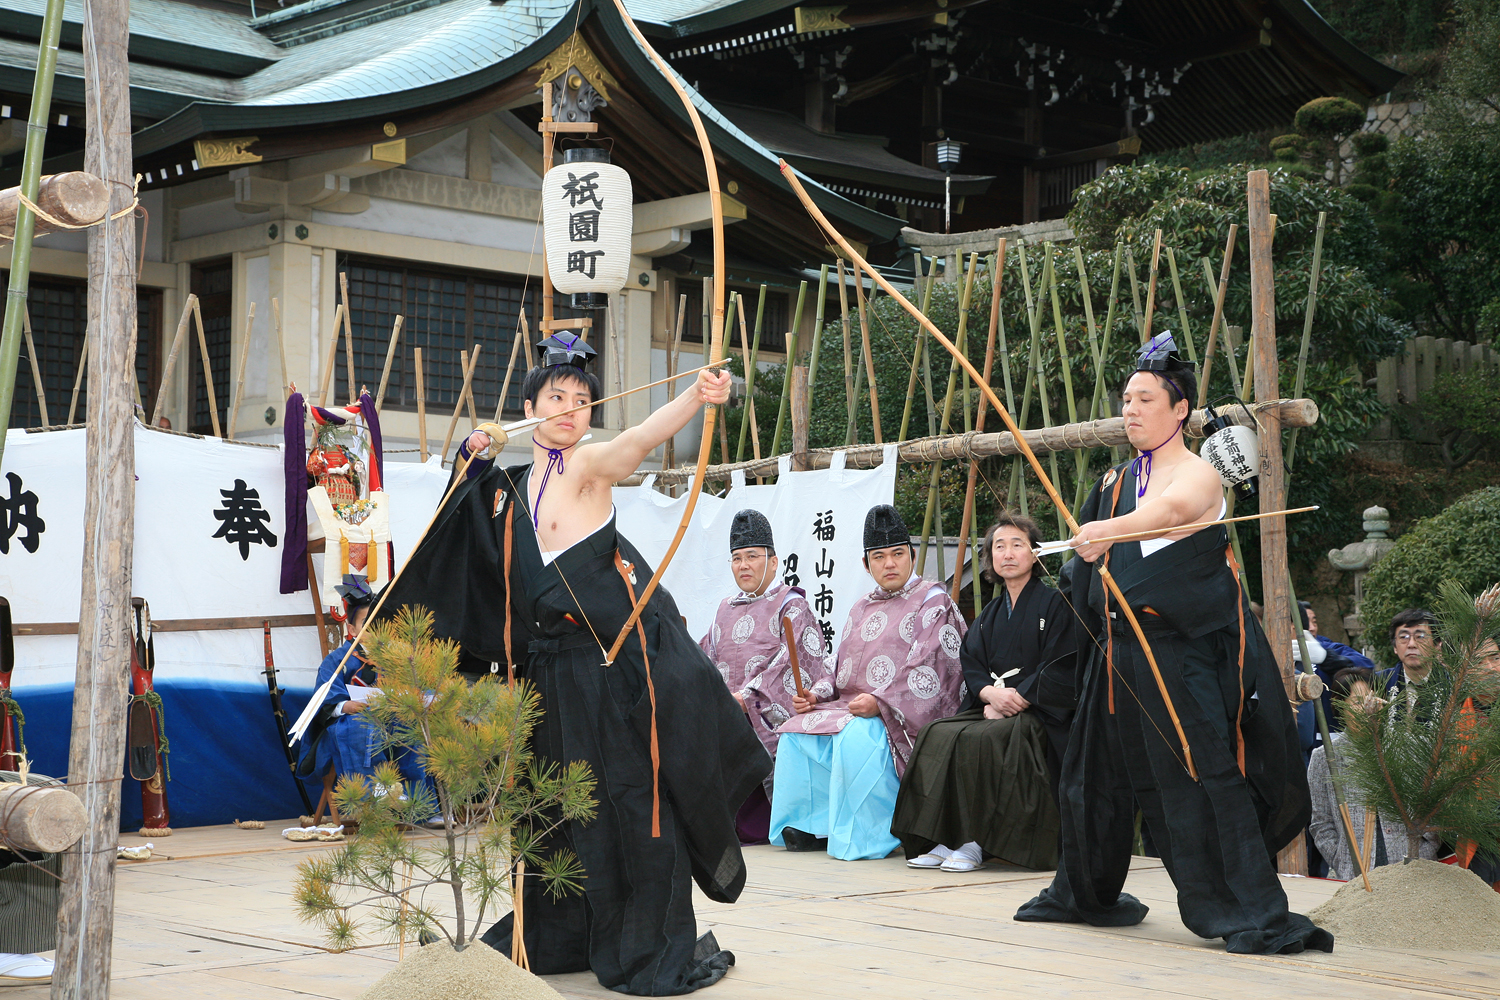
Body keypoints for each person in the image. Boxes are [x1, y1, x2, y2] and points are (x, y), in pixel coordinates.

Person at [380, 334, 769, 995]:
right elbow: (467, 547)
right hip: (547, 678)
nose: (569, 409)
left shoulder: (586, 467)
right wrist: (468, 461)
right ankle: (560, 936)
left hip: (606, 673)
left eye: (582, 400)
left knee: (627, 806)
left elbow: (639, 438)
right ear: (528, 406)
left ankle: (645, 945)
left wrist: (694, 398)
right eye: (555, 397)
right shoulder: (509, 489)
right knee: (549, 814)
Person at [1015, 333, 1331, 955]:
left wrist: (1108, 530)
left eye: (1145, 399)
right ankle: (1083, 891)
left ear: (1179, 409)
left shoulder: (1199, 475)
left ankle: (1246, 909)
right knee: (1090, 775)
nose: (1130, 410)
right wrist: (1090, 552)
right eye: (1126, 400)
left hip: (1175, 654)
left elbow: (1172, 514)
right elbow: (1089, 565)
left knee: (1200, 775)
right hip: (1115, 652)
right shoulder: (1114, 479)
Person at [768, 504, 967, 860]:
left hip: (897, 714)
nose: (889, 564)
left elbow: (932, 667)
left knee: (856, 737)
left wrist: (881, 703)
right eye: (879, 557)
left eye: (897, 554)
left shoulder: (934, 600)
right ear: (866, 564)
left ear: (912, 556)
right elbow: (837, 665)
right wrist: (815, 694)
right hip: (852, 706)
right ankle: (813, 826)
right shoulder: (861, 606)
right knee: (796, 732)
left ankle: (868, 836)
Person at [891, 511, 1079, 872]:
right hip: (994, 703)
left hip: (1038, 711)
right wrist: (991, 697)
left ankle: (978, 841)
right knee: (938, 733)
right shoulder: (992, 612)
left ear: (1035, 554)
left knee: (985, 741)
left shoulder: (1056, 604)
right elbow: (971, 661)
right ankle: (943, 835)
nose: (1007, 554)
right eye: (999, 547)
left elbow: (1062, 662)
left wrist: (1017, 698)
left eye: (1017, 546)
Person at [699, 509, 831, 844]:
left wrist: (747, 700)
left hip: (763, 717)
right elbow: (703, 659)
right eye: (736, 558)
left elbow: (793, 664)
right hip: (724, 715)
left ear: (773, 563)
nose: (743, 566)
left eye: (752, 557)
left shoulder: (791, 605)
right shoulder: (724, 609)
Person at [296, 576, 433, 811]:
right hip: (351, 724)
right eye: (365, 625)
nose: (374, 631)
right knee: (360, 726)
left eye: (379, 624)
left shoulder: (400, 658)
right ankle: (375, 796)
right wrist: (344, 706)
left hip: (393, 720)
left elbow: (420, 687)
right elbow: (324, 697)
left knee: (413, 728)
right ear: (351, 629)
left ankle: (420, 806)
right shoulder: (337, 661)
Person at [1308, 667, 1441, 880]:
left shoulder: (1409, 747)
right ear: (1340, 707)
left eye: (1372, 698)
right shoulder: (1325, 758)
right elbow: (1321, 823)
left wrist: (1423, 850)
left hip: (1411, 868)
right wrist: (1340, 858)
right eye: (1357, 702)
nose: (1367, 707)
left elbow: (1430, 806)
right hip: (1356, 871)